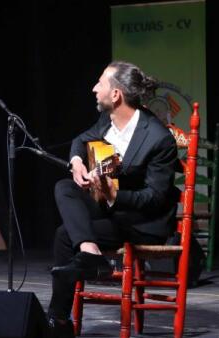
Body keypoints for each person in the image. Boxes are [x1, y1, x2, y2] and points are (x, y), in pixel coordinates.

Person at [47, 61, 180, 337]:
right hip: (112, 215)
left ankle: (59, 316)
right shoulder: (106, 122)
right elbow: (81, 140)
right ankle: (88, 256)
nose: (94, 89)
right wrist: (76, 162)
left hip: (143, 222)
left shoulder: (157, 138)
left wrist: (115, 194)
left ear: (116, 94)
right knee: (64, 186)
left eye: (100, 84)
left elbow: (155, 198)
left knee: (63, 235)